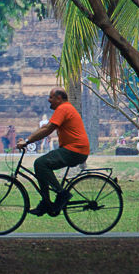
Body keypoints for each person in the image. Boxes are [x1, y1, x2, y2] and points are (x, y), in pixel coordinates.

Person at [16, 88, 91, 216]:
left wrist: (27, 141)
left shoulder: (63, 109)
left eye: (51, 97)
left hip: (75, 150)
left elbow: (48, 129)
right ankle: (46, 202)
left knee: (40, 164)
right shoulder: (63, 109)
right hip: (74, 149)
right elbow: (46, 127)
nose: (48, 99)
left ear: (59, 98)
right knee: (41, 166)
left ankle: (61, 194)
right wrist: (27, 139)